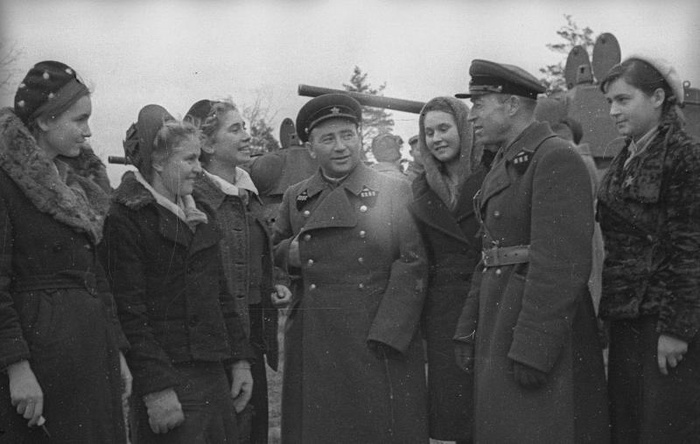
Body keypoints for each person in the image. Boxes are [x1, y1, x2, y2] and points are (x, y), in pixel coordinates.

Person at [453, 59, 609, 443]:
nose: (471, 116)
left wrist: (533, 348)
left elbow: (562, 264)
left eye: (479, 104)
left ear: (511, 105)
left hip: (534, 328)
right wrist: (467, 329)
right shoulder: (508, 159)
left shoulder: (554, 156)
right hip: (503, 318)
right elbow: (489, 254)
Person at [273, 93, 429, 443]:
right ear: (310, 148)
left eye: (348, 135)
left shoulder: (393, 191)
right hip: (315, 334)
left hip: (374, 334)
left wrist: (389, 332)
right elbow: (276, 247)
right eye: (328, 139)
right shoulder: (296, 196)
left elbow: (413, 263)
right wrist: (290, 256)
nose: (341, 147)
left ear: (360, 137)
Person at [99, 104, 254, 443]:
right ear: (157, 162)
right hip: (169, 380)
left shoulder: (199, 211)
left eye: (199, 158)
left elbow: (221, 296)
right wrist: (156, 389)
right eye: (189, 160)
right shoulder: (126, 219)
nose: (199, 169)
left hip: (212, 373)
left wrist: (240, 361)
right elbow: (129, 313)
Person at [0, 60, 130, 442]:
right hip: (41, 365)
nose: (88, 132)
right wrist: (16, 367)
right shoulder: (6, 184)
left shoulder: (78, 188)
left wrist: (117, 350)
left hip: (91, 355)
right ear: (44, 120)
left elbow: (96, 277)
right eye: (79, 119)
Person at [597, 55, 700, 442]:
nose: (613, 111)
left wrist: (677, 330)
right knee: (627, 428)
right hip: (627, 319)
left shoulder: (685, 156)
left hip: (663, 323)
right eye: (610, 101)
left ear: (658, 98)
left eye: (624, 99)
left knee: (663, 429)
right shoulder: (627, 156)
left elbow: (691, 249)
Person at [185, 99, 292, 444]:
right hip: (218, 342)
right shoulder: (193, 198)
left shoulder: (247, 192)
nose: (247, 135)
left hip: (251, 335)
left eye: (244, 127)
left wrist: (276, 281)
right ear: (207, 144)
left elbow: (257, 252)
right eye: (235, 129)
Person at [407, 96, 486, 443]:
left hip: (489, 301)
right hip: (443, 313)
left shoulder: (492, 175)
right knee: (454, 409)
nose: (436, 139)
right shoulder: (420, 188)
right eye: (429, 133)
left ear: (464, 130)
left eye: (444, 128)